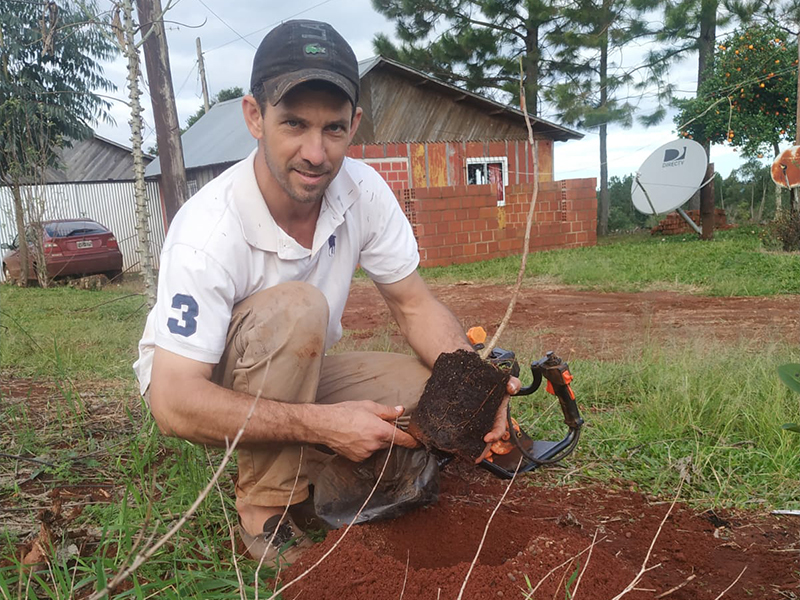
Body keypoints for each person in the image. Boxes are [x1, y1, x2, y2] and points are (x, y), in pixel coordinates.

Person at [133, 19, 518, 565]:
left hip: (292, 368)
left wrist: (479, 392)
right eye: (293, 123)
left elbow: (414, 304)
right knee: (298, 306)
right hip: (202, 378)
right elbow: (173, 401)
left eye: (333, 129)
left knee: (432, 391)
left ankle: (323, 468)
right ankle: (268, 508)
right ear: (254, 117)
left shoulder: (362, 191)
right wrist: (324, 424)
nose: (315, 153)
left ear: (354, 124)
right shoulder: (207, 231)